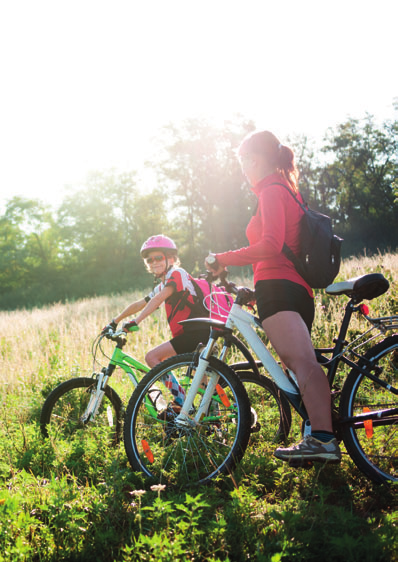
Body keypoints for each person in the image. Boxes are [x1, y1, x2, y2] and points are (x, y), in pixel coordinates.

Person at [205, 130, 341, 464]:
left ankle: (323, 438)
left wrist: (222, 257)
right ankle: (315, 432)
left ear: (254, 158)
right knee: (296, 364)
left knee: (300, 362)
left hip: (280, 288)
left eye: (242, 160)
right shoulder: (285, 190)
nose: (242, 167)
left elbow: (269, 245)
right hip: (288, 288)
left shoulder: (272, 190)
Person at [103, 234, 210, 368]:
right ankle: (210, 390)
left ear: (171, 259)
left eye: (158, 258)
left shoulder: (178, 273)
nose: (154, 262)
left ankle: (174, 390)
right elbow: (140, 304)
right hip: (189, 334)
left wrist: (136, 321)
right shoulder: (162, 285)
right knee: (202, 386)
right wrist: (115, 321)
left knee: (152, 357)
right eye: (149, 260)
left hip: (196, 333)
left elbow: (158, 299)